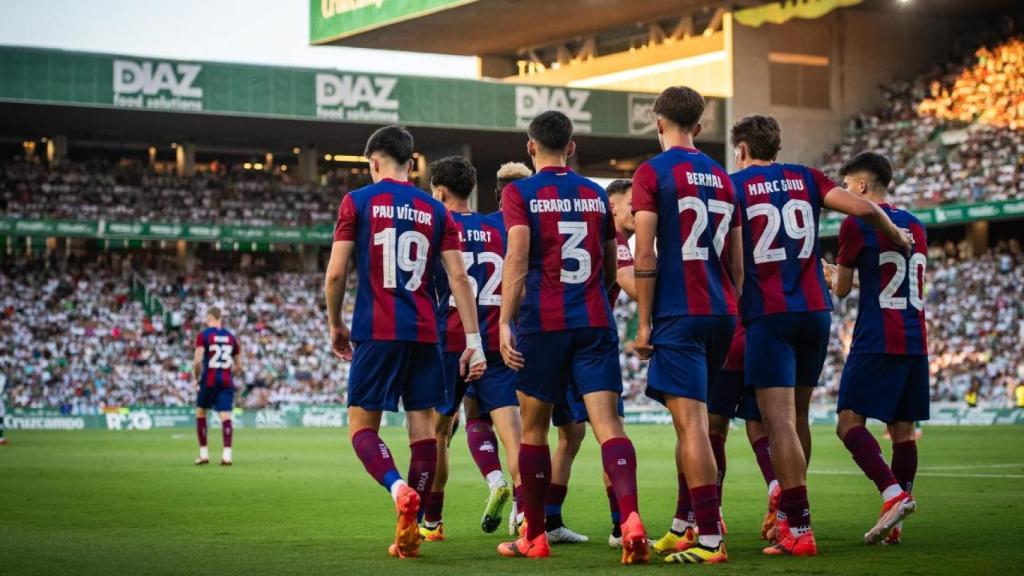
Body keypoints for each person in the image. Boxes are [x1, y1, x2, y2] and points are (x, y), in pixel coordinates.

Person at [730, 115, 911, 557]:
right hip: (814, 310)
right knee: (801, 417)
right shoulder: (806, 177)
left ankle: (798, 527)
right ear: (776, 146)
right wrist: (896, 236)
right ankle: (793, 516)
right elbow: (866, 208)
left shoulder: (735, 186)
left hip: (769, 312)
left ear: (742, 150)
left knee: (779, 424)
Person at [325, 125, 487, 559]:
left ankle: (398, 489)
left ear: (373, 162)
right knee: (424, 434)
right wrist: (474, 340)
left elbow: (337, 273)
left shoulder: (357, 201)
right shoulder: (437, 212)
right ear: (412, 163)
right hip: (425, 333)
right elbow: (459, 279)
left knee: (362, 428)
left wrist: (335, 324)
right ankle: (410, 529)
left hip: (376, 331)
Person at [498, 110, 649, 563]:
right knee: (609, 426)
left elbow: (518, 260)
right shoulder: (595, 195)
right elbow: (607, 261)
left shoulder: (519, 192)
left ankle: (536, 536)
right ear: (572, 147)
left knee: (534, 431)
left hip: (543, 323)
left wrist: (506, 321)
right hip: (593, 321)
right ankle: (630, 522)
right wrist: (593, 304)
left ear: (530, 147)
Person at [632, 86, 743, 565]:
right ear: (698, 126)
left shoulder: (652, 172)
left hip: (680, 311)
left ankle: (711, 538)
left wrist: (642, 324)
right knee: (696, 425)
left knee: (691, 425)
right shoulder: (723, 176)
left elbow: (644, 255)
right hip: (723, 311)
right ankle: (688, 523)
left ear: (659, 123)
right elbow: (737, 263)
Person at [827, 151, 927, 545]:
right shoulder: (916, 224)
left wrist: (829, 272)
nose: (847, 193)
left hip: (877, 336)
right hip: (915, 337)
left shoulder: (856, 223)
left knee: (848, 422)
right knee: (902, 430)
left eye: (849, 186)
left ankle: (893, 495)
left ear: (863, 186)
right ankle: (896, 524)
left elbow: (843, 288)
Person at [420, 156, 521, 541]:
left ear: (440, 191)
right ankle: (525, 516)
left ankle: (432, 522)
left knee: (438, 435)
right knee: (513, 434)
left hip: (450, 340)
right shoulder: (497, 225)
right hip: (496, 340)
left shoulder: (437, 226)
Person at [462, 161, 533, 536]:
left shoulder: (478, 224)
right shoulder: (527, 229)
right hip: (510, 340)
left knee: (466, 419)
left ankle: (491, 481)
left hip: (466, 339)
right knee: (516, 433)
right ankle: (523, 510)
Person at [193, 307, 242, 466]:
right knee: (225, 416)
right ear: (221, 318)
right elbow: (239, 366)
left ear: (209, 318)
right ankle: (227, 456)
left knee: (201, 412)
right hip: (226, 381)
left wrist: (196, 378)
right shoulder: (231, 337)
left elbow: (198, 361)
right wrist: (228, 374)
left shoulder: (204, 335)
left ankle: (204, 454)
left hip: (209, 379)